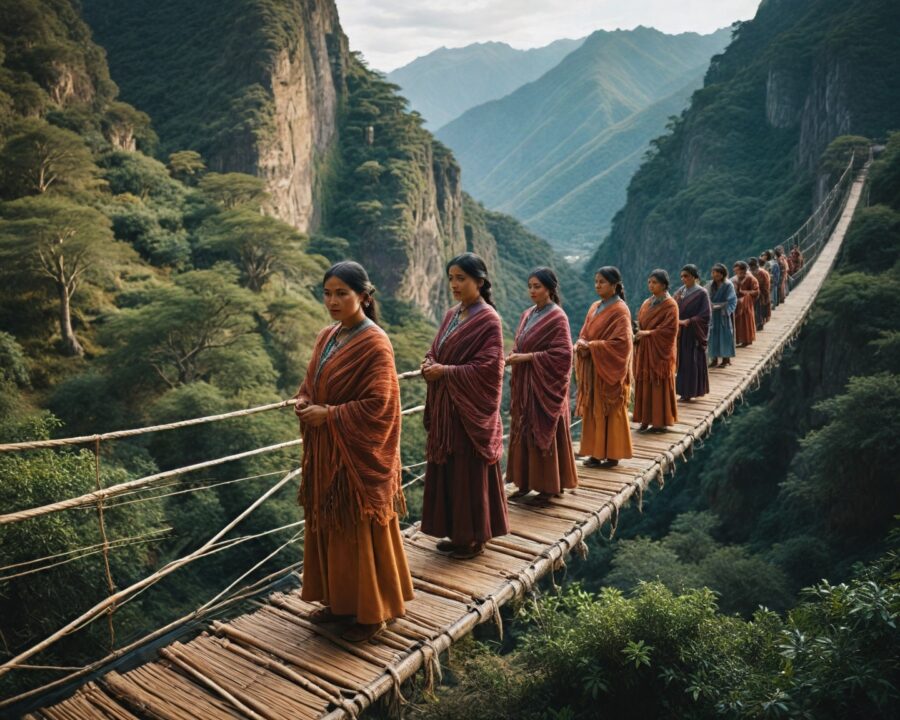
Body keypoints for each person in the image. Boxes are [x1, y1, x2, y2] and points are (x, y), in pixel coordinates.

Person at [294, 261, 413, 643]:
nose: (332, 301)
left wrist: (329, 414)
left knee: (357, 530)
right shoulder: (327, 336)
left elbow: (380, 403)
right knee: (330, 528)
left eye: (341, 293)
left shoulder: (375, 342)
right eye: (327, 293)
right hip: (328, 453)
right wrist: (304, 400)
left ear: (364, 296)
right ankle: (339, 603)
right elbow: (312, 380)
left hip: (356, 456)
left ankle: (371, 613)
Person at [420, 252, 508, 559]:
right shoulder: (451, 314)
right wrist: (430, 361)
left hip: (469, 413)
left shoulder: (489, 320)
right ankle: (457, 535)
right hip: (449, 411)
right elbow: (436, 348)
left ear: (480, 282)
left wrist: (444, 371)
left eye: (461, 279)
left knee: (468, 473)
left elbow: (489, 368)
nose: (454, 285)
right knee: (451, 472)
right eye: (451, 279)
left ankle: (474, 539)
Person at [506, 268, 577, 504]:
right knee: (524, 431)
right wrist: (515, 355)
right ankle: (525, 482)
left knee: (543, 431)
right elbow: (522, 343)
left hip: (545, 387)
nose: (532, 291)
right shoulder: (528, 314)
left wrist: (527, 358)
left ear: (549, 288)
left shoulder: (558, 317)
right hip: (526, 385)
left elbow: (563, 355)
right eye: (530, 286)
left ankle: (549, 487)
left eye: (537, 286)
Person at [574, 266, 633, 468]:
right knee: (594, 410)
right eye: (596, 281)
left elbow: (622, 344)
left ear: (614, 285)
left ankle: (613, 455)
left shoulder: (620, 310)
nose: (597, 285)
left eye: (602, 282)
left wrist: (592, 346)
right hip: (594, 369)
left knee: (611, 410)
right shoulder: (594, 307)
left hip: (609, 370)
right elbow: (585, 331)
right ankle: (596, 453)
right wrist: (582, 342)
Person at [632, 269, 679, 432]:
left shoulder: (671, 305)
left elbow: (670, 330)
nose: (651, 285)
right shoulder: (647, 302)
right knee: (645, 383)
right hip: (646, 350)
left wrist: (647, 333)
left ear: (664, 285)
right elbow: (642, 323)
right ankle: (645, 419)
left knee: (658, 383)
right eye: (649, 282)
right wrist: (637, 330)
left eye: (655, 282)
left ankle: (659, 421)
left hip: (660, 352)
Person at [673, 264, 711, 402]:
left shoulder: (702, 293)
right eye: (682, 276)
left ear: (694, 277)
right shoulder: (680, 291)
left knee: (692, 361)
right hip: (681, 333)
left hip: (693, 333)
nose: (684, 279)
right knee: (682, 362)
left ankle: (690, 392)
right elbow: (672, 306)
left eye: (686, 276)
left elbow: (705, 315)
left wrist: (689, 321)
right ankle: (683, 391)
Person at [708, 263, 737, 368]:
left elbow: (732, 300)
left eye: (715, 272)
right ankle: (714, 359)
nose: (713, 274)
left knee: (725, 335)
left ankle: (726, 359)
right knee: (712, 336)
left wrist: (721, 307)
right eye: (712, 272)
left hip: (723, 314)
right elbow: (707, 297)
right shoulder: (711, 284)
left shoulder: (728, 285)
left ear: (721, 274)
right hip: (713, 314)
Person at [731, 261, 759, 347]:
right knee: (739, 322)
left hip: (746, 303)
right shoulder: (736, 278)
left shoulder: (750, 278)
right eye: (735, 270)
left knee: (746, 322)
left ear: (743, 270)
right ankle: (740, 340)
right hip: (738, 302)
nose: (735, 272)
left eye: (737, 270)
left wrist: (743, 292)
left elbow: (756, 291)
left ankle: (747, 340)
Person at [748, 257, 771, 330]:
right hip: (754, 294)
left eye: (752, 265)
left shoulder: (762, 273)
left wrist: (763, 294)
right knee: (757, 310)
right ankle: (757, 323)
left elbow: (765, 285)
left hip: (761, 294)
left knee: (760, 309)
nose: (751, 267)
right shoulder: (750, 272)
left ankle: (760, 323)